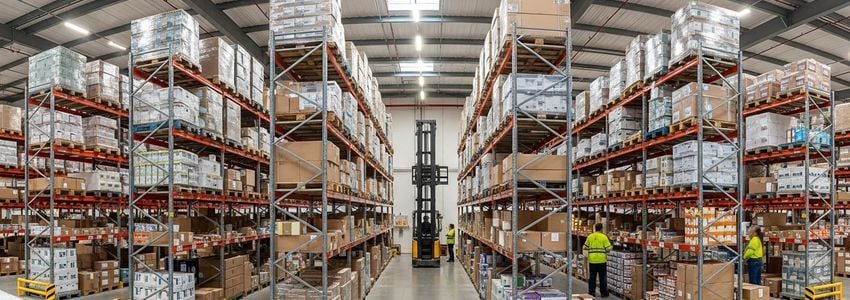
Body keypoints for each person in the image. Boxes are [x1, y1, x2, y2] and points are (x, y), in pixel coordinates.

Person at [584, 223, 612, 298]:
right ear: (601, 229)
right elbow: (608, 248)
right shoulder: (604, 237)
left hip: (592, 260)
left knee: (592, 277)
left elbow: (585, 247)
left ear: (595, 228)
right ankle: (604, 293)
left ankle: (591, 292)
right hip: (601, 260)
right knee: (602, 277)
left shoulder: (590, 236)